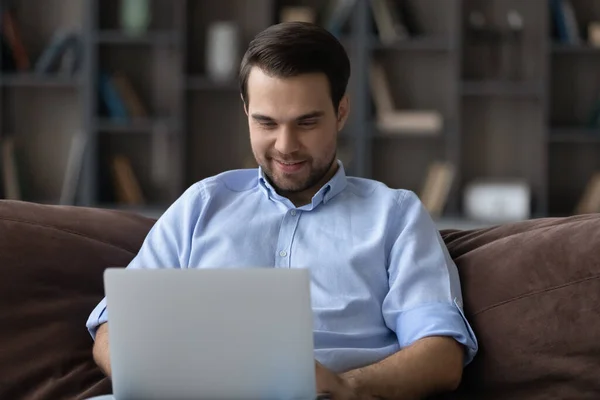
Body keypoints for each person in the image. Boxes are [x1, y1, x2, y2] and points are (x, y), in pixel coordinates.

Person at [87, 21, 478, 400]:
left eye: (306, 122)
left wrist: (346, 388)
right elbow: (114, 325)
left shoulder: (396, 216)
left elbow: (442, 356)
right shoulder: (201, 205)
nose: (285, 145)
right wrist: (152, 381)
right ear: (246, 111)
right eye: (266, 122)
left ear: (341, 112)